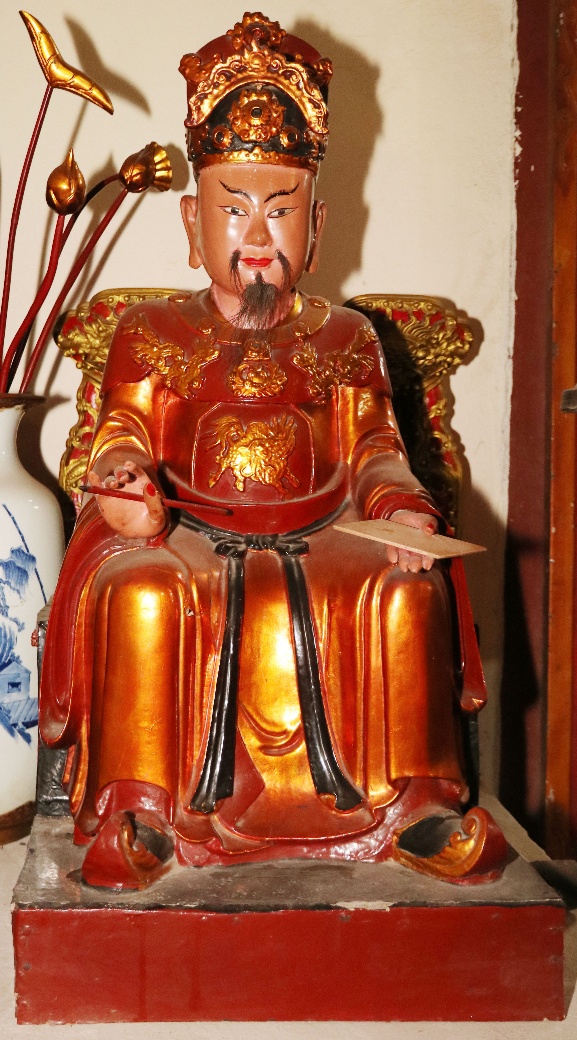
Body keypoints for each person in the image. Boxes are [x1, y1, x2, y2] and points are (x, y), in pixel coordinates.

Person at [40, 12, 507, 890]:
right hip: (184, 531)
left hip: (324, 531)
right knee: (141, 591)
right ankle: (140, 807)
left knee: (403, 592)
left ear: (316, 226)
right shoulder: (150, 330)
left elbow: (373, 447)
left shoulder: (346, 336)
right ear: (191, 222)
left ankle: (416, 805)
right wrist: (121, 483)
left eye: (281, 210)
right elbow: (122, 429)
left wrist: (400, 504)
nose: (257, 236)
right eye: (233, 209)